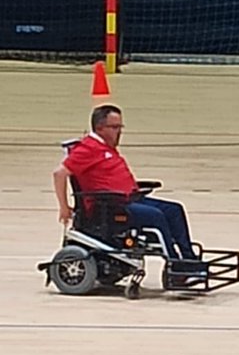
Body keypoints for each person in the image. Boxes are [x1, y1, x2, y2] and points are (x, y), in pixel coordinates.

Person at [52, 104, 200, 266]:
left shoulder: (106, 147)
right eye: (115, 127)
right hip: (112, 206)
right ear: (100, 128)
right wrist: (64, 207)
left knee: (174, 210)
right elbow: (59, 173)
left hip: (130, 199)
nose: (119, 131)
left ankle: (189, 258)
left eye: (120, 126)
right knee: (156, 215)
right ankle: (176, 264)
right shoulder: (88, 149)